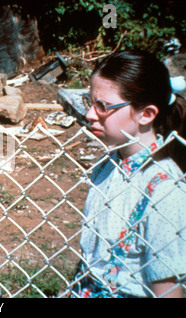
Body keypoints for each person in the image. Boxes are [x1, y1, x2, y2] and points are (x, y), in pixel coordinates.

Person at [71, 50, 186, 298]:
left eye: (103, 106)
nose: (90, 114)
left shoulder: (164, 191)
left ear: (146, 114)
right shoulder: (109, 163)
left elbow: (168, 292)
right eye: (89, 102)